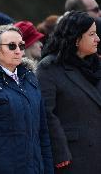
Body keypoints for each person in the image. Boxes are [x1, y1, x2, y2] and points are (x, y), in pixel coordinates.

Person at [0, 25, 54, 174]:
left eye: (21, 45)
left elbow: (43, 133)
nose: (18, 50)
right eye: (11, 46)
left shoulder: (30, 79)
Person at [36, 11, 101, 174]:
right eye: (92, 34)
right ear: (76, 38)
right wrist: (60, 155)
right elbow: (47, 114)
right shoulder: (49, 67)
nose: (98, 39)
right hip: (74, 157)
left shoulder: (95, 65)